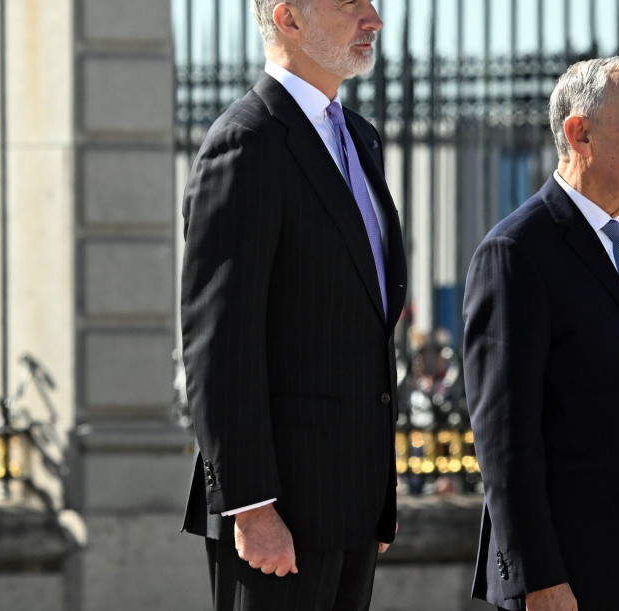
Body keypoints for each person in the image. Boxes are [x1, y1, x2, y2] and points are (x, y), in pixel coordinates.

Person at [179, 0, 407, 608]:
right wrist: (251, 507)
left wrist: (378, 491)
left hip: (353, 502)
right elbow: (218, 343)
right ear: (289, 19)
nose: (374, 19)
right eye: (350, 3)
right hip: (279, 513)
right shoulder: (245, 142)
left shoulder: (359, 137)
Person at [462, 57, 619, 610]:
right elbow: (505, 440)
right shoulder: (516, 253)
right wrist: (537, 576)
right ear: (580, 134)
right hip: (567, 583)